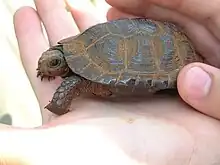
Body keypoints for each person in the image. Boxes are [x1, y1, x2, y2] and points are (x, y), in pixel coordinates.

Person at [1, 0, 220, 164]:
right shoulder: (81, 48)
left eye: (55, 63)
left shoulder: (79, 79)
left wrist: (59, 105)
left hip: (168, 58)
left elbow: (71, 84)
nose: (50, 67)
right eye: (52, 60)